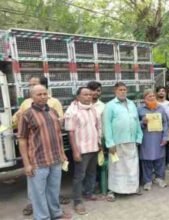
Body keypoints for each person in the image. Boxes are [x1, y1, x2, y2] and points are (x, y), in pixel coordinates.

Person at [13, 76, 68, 217]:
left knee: (53, 190)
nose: (43, 97)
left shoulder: (53, 112)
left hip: (55, 160)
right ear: (32, 97)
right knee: (38, 194)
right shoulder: (26, 115)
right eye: (39, 94)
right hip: (38, 162)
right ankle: (43, 217)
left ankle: (56, 214)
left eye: (45, 93)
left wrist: (62, 154)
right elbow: (22, 140)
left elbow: (58, 135)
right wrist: (26, 164)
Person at [103, 82, 143, 201]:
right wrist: (110, 143)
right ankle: (113, 191)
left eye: (124, 90)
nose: (123, 92)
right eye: (120, 90)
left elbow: (136, 121)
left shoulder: (131, 104)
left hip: (131, 141)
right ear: (115, 91)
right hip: (117, 142)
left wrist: (138, 137)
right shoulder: (110, 105)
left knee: (132, 166)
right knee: (117, 167)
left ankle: (132, 188)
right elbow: (106, 125)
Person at [65, 87, 101, 215]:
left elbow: (97, 127)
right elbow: (71, 133)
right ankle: (77, 201)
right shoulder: (72, 111)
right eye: (85, 95)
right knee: (79, 176)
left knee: (92, 173)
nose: (88, 97)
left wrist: (99, 142)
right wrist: (75, 151)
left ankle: (88, 193)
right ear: (78, 97)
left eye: (90, 95)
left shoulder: (93, 109)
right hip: (81, 149)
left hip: (94, 147)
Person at [138, 89, 169, 191]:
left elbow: (165, 123)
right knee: (146, 160)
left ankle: (160, 178)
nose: (152, 98)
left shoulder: (161, 108)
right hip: (146, 139)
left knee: (160, 159)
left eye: (153, 96)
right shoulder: (140, 109)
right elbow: (135, 124)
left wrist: (165, 137)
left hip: (158, 138)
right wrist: (142, 122)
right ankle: (148, 181)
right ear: (144, 99)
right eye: (149, 97)